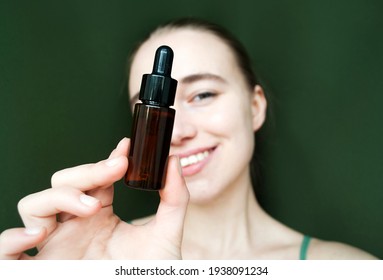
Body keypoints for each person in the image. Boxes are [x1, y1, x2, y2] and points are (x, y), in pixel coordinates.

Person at [0, 18, 377, 260]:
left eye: (203, 95)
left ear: (256, 106)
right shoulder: (107, 258)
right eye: (150, 108)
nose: (177, 133)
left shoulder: (345, 268)